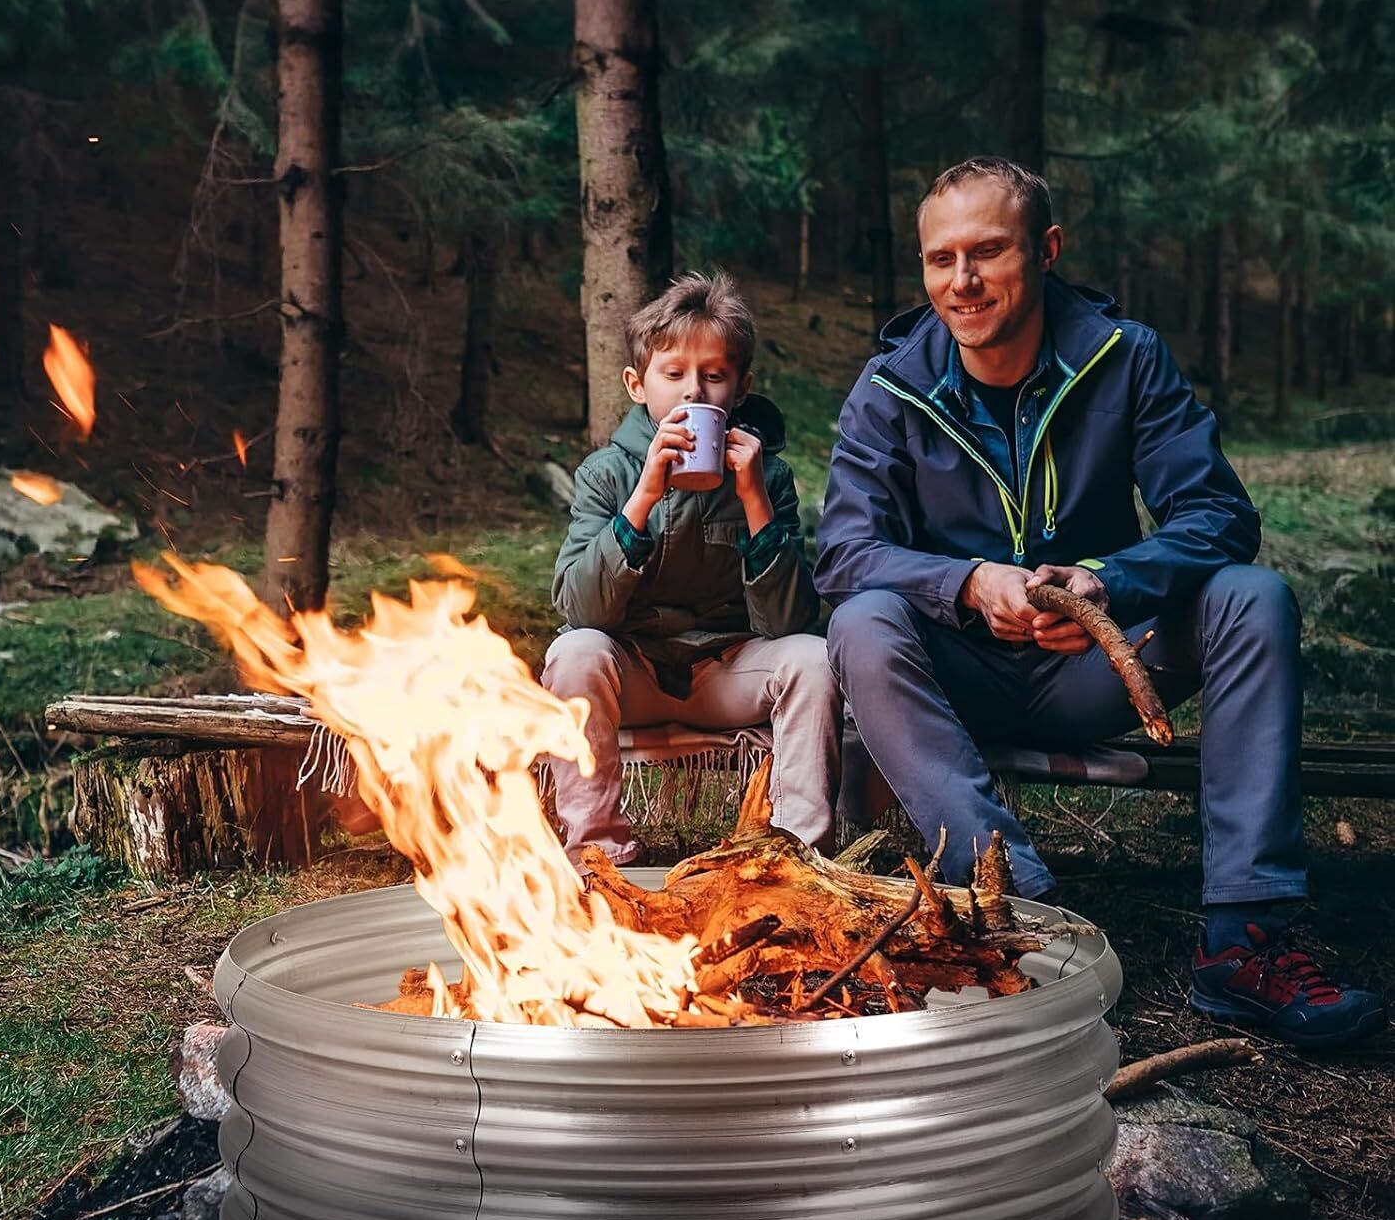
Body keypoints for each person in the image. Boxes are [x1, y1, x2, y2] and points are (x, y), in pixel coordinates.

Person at [816, 155, 1385, 1049]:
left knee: (1252, 598)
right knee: (860, 621)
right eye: (940, 260)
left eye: (988, 253)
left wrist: (1107, 580)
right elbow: (844, 556)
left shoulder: (1124, 358)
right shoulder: (892, 388)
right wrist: (966, 584)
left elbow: (1218, 515)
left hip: (1098, 666)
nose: (960, 282)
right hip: (951, 671)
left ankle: (1248, 940)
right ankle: (1028, 914)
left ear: (1045, 250)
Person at [544, 271, 839, 866]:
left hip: (727, 672)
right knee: (573, 653)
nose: (694, 394)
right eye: (673, 374)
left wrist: (754, 499)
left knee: (813, 658)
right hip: (636, 675)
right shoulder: (606, 474)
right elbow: (581, 609)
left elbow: (792, 622)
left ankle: (795, 860)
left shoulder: (770, 478)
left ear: (741, 386)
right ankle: (598, 855)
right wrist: (643, 498)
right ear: (637, 384)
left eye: (714, 375)